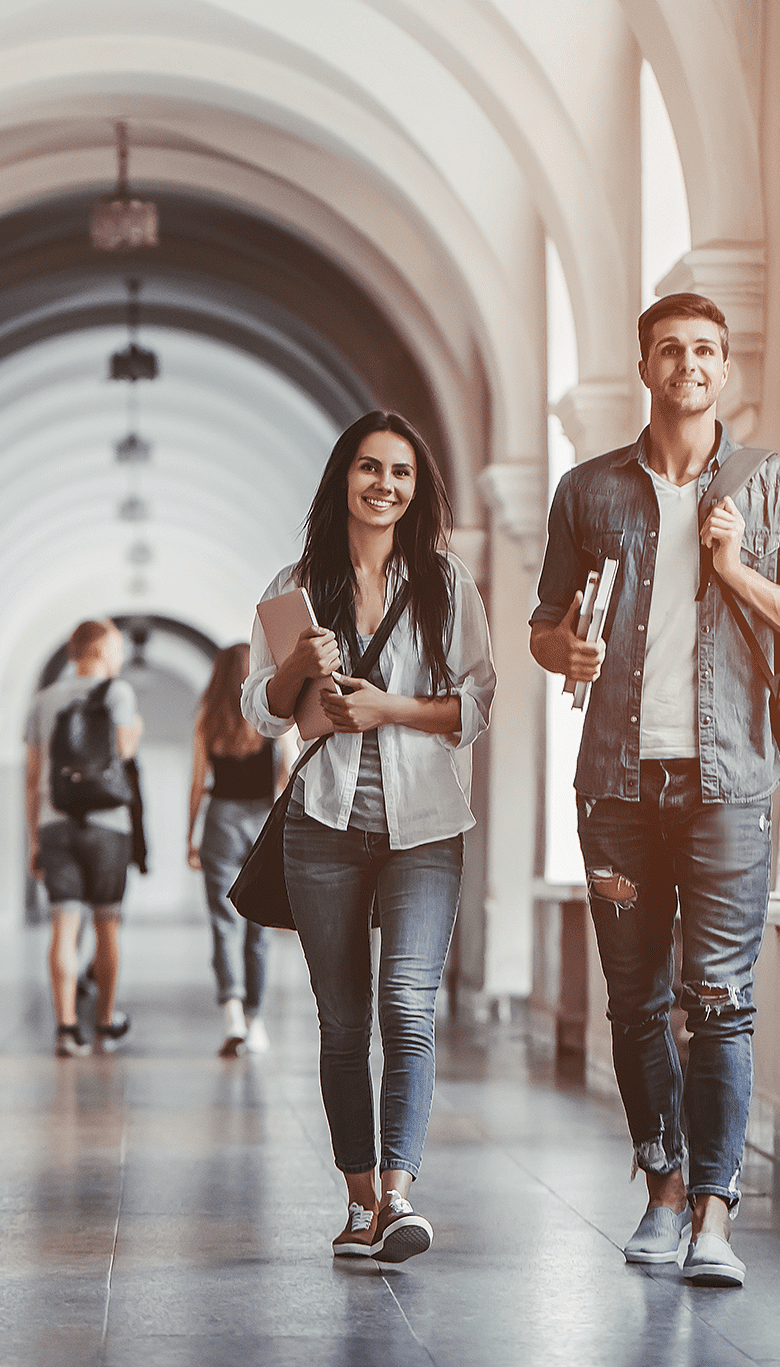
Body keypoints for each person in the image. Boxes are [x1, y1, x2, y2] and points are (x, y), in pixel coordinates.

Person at [529, 293, 780, 1288]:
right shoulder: (587, 491)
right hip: (615, 792)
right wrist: (562, 646)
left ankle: (714, 1210)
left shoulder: (773, 486)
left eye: (706, 349)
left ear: (725, 368)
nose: (689, 363)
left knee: (718, 998)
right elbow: (542, 623)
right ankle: (660, 1186)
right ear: (644, 366)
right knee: (633, 999)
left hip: (728, 787)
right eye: (670, 348)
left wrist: (734, 569)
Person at [241, 410, 497, 1264]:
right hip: (323, 825)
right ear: (342, 478)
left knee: (407, 1007)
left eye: (400, 472)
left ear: (416, 490)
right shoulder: (295, 583)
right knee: (344, 1022)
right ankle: (357, 1202)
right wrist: (297, 665)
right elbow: (262, 714)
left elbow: (475, 705)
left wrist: (387, 706)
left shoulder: (448, 584)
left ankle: (398, 1194)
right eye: (368, 468)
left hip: (426, 828)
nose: (383, 485)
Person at [26, 619, 142, 1058]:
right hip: (109, 825)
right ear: (103, 650)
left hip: (55, 823)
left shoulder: (43, 700)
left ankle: (67, 1028)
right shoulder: (118, 692)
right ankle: (107, 1022)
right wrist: (136, 730)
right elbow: (125, 752)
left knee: (63, 927)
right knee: (107, 925)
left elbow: (32, 776)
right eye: (116, 649)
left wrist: (34, 839)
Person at [186, 643, 287, 1057]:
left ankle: (232, 1016)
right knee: (258, 927)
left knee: (223, 922)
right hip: (262, 822)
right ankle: (256, 1020)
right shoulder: (272, 717)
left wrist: (188, 837)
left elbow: (197, 783)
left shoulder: (207, 718)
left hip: (220, 822)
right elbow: (287, 776)